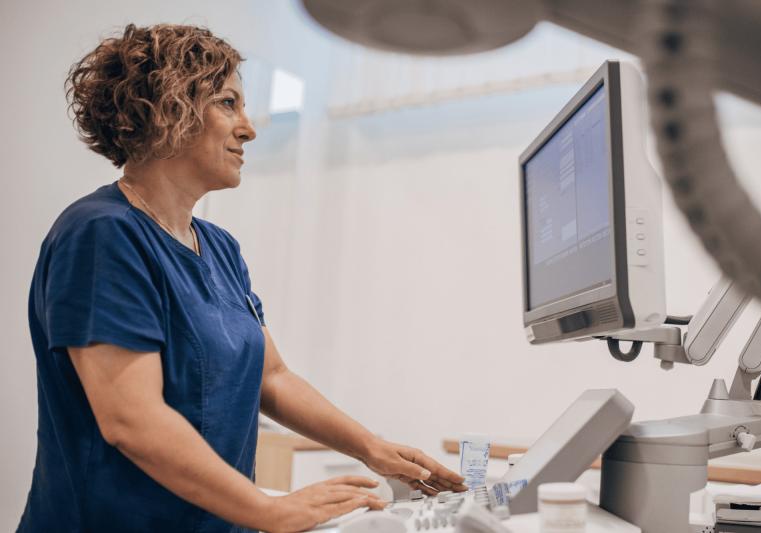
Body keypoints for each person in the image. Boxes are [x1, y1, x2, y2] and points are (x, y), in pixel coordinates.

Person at [18, 23, 465, 533]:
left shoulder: (219, 248)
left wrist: (372, 448)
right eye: (228, 103)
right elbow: (131, 420)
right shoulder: (102, 234)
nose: (249, 128)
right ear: (169, 109)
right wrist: (270, 509)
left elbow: (272, 378)